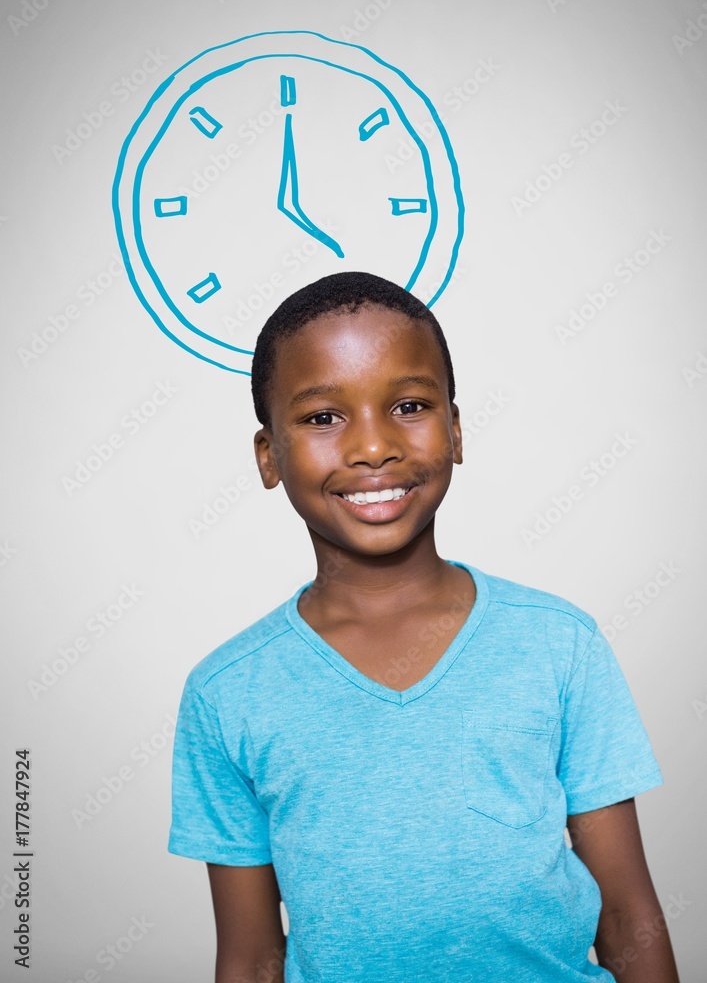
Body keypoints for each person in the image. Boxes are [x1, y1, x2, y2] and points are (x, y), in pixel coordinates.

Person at [168, 271, 680, 982]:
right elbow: (253, 959)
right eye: (323, 417)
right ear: (267, 456)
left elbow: (627, 916)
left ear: (456, 429)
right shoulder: (226, 693)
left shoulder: (557, 645)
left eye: (408, 405)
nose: (374, 447)